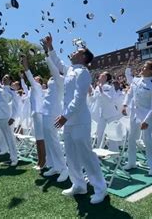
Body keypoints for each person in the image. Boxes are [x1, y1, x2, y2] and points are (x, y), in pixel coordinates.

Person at [45, 34, 108, 205]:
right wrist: (50, 47)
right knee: (71, 155)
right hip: (69, 121)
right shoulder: (71, 70)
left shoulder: (83, 73)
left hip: (79, 120)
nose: (72, 53)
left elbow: (79, 98)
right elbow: (58, 63)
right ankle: (79, 184)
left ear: (83, 57)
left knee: (86, 155)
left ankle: (100, 188)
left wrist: (65, 115)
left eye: (76, 51)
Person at [122, 61, 152, 175]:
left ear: (151, 71)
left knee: (147, 140)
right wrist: (125, 105)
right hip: (134, 115)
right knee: (131, 139)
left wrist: (147, 120)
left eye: (145, 67)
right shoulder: (136, 80)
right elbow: (130, 94)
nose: (142, 68)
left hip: (145, 116)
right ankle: (131, 162)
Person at [37, 47, 69, 182]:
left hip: (54, 113)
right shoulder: (52, 80)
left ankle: (63, 168)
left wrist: (47, 55)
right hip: (45, 111)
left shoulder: (61, 79)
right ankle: (54, 166)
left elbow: (54, 71)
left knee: (54, 141)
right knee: (48, 141)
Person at [21, 55, 47, 170]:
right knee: (38, 139)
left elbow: (29, 75)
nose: (34, 80)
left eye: (36, 79)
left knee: (41, 139)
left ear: (39, 83)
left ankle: (43, 161)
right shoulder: (33, 90)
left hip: (39, 115)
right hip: (35, 115)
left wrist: (25, 63)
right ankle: (40, 160)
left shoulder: (37, 87)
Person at [91, 71, 122, 150]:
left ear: (105, 77)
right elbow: (93, 99)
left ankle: (114, 152)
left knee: (112, 135)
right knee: (100, 133)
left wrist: (102, 91)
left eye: (102, 75)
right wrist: (89, 94)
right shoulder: (97, 87)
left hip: (110, 114)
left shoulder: (109, 87)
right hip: (102, 114)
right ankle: (98, 151)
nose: (100, 75)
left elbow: (111, 100)